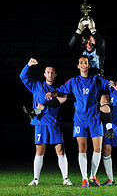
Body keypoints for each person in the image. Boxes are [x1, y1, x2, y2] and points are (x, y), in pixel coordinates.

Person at [38, 55, 114, 188]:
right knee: (82, 149)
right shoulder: (73, 81)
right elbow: (60, 90)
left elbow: (108, 84)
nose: (84, 64)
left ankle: (92, 177)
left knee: (98, 149)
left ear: (89, 65)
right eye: (81, 63)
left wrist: (113, 85)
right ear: (78, 66)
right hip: (80, 120)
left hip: (95, 118)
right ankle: (84, 179)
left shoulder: (96, 79)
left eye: (86, 62)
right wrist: (52, 93)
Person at [20, 58, 73, 186]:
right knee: (39, 150)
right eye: (47, 72)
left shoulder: (59, 90)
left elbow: (62, 102)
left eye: (52, 72)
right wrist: (28, 65)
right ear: (44, 74)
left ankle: (65, 179)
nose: (50, 74)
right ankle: (36, 179)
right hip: (40, 124)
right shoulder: (37, 86)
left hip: (54, 123)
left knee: (60, 150)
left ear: (55, 75)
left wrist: (45, 108)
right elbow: (23, 76)